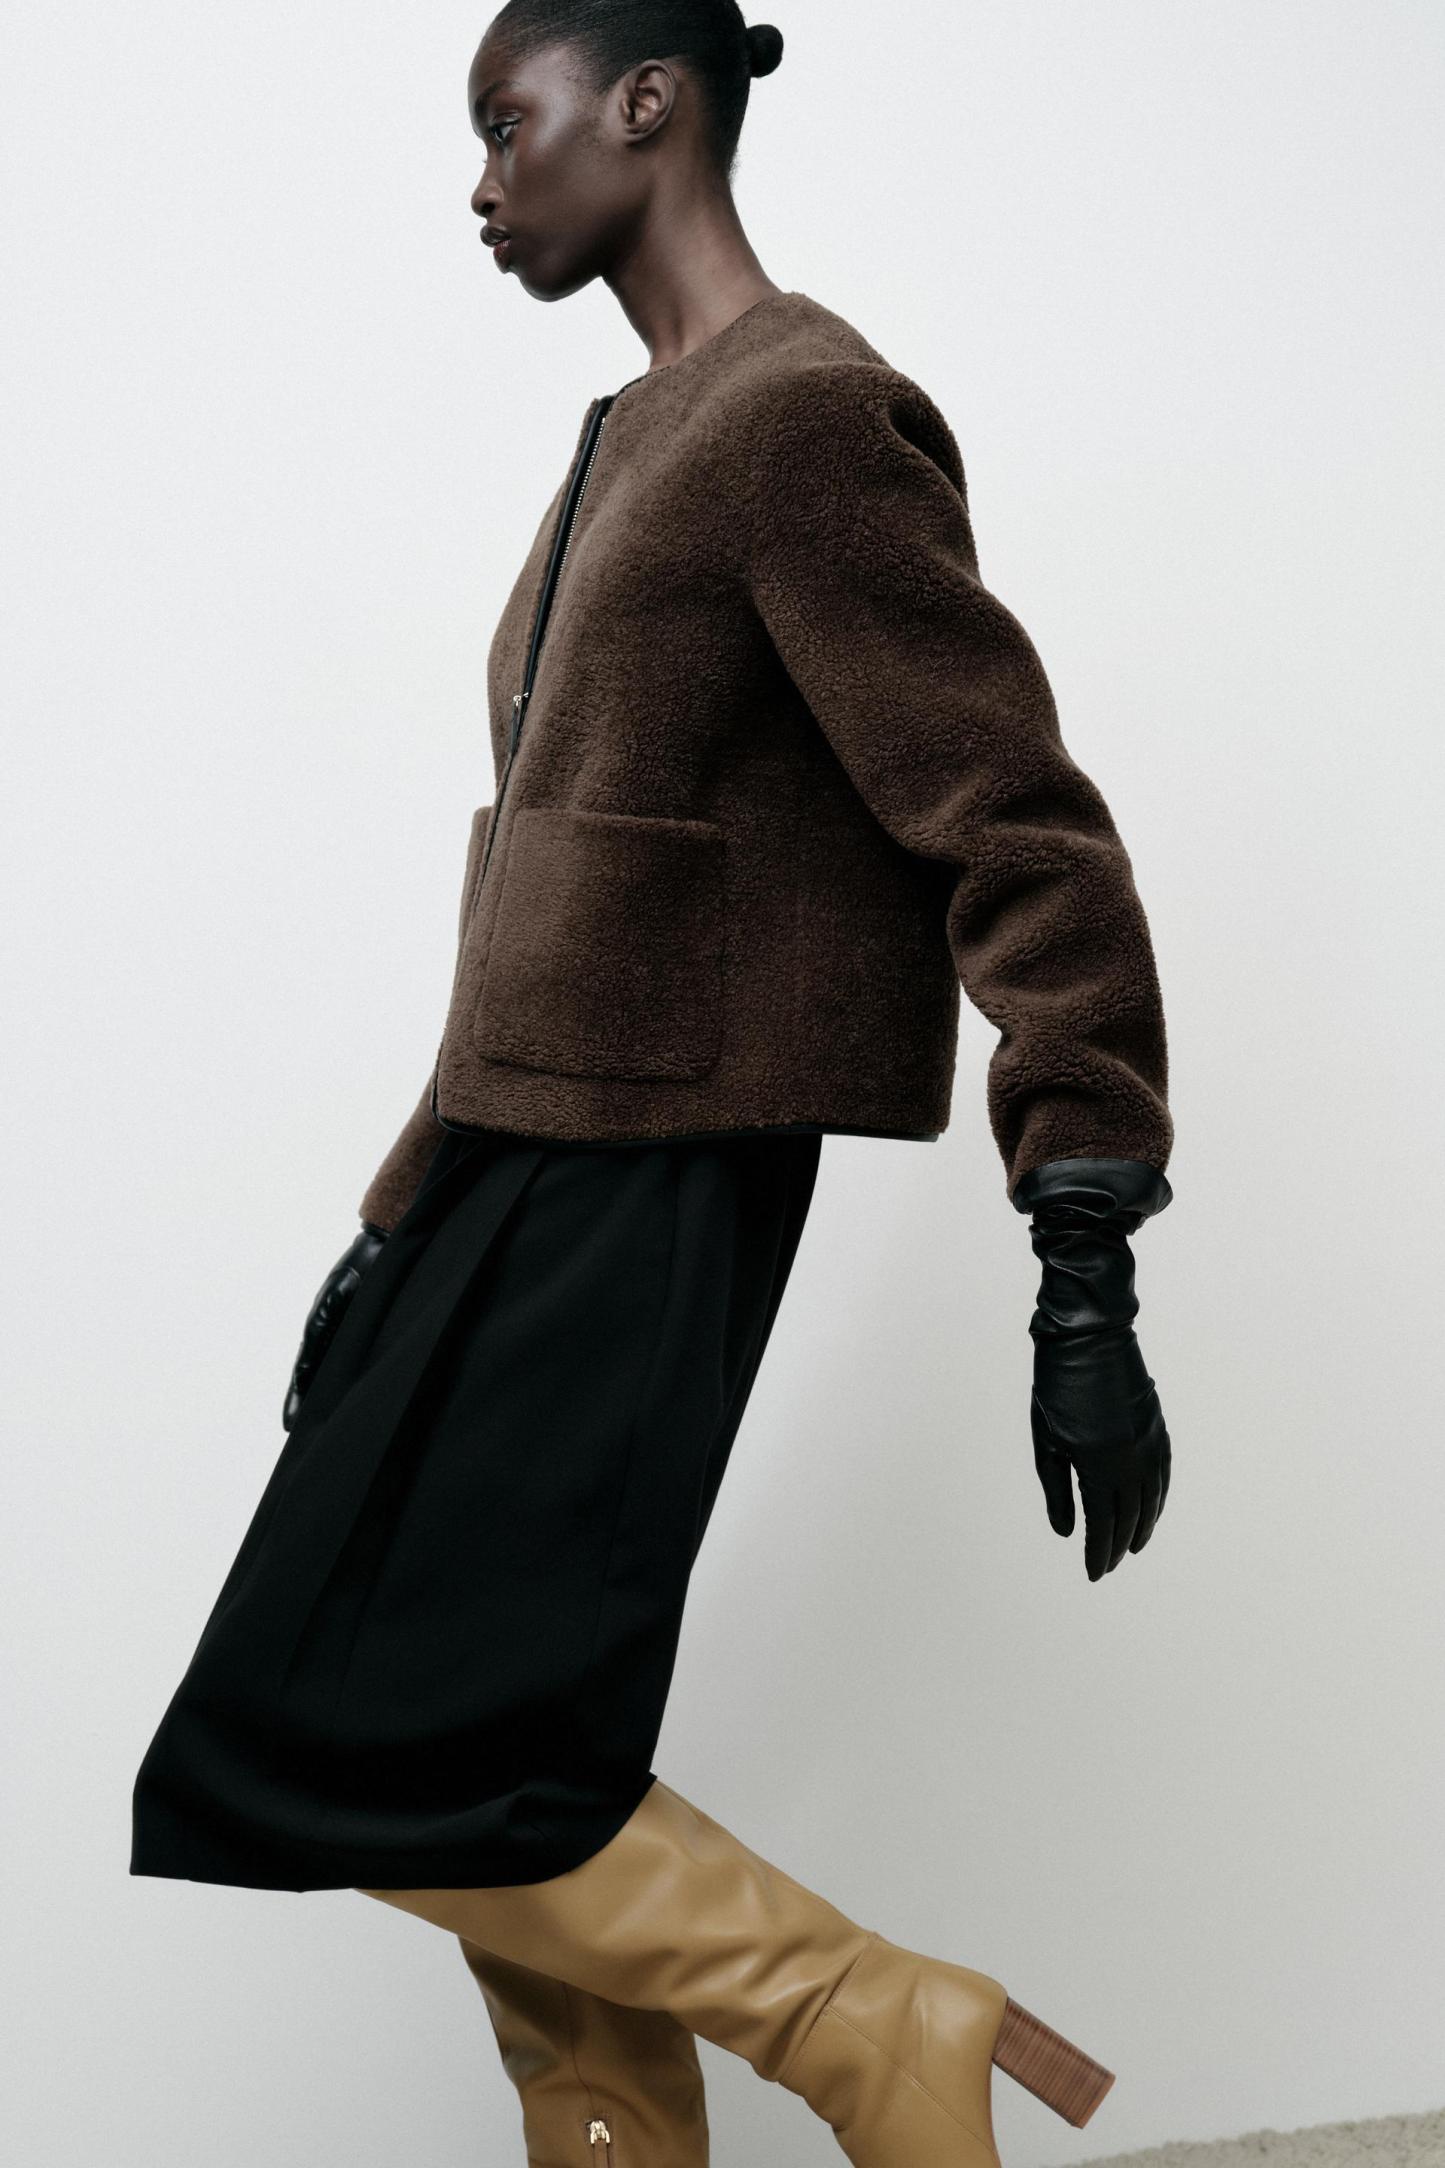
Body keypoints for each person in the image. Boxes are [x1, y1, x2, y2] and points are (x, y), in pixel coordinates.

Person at [130, 4, 1176, 2162]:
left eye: (505, 125)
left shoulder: (801, 415)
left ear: (647, 102)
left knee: (374, 1735)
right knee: (466, 1735)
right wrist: (396, 1215)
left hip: (660, 1171)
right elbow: (554, 897)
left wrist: (1082, 1236)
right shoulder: (636, 432)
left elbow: (1016, 825)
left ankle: (866, 2018)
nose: (482, 182)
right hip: (518, 1158)